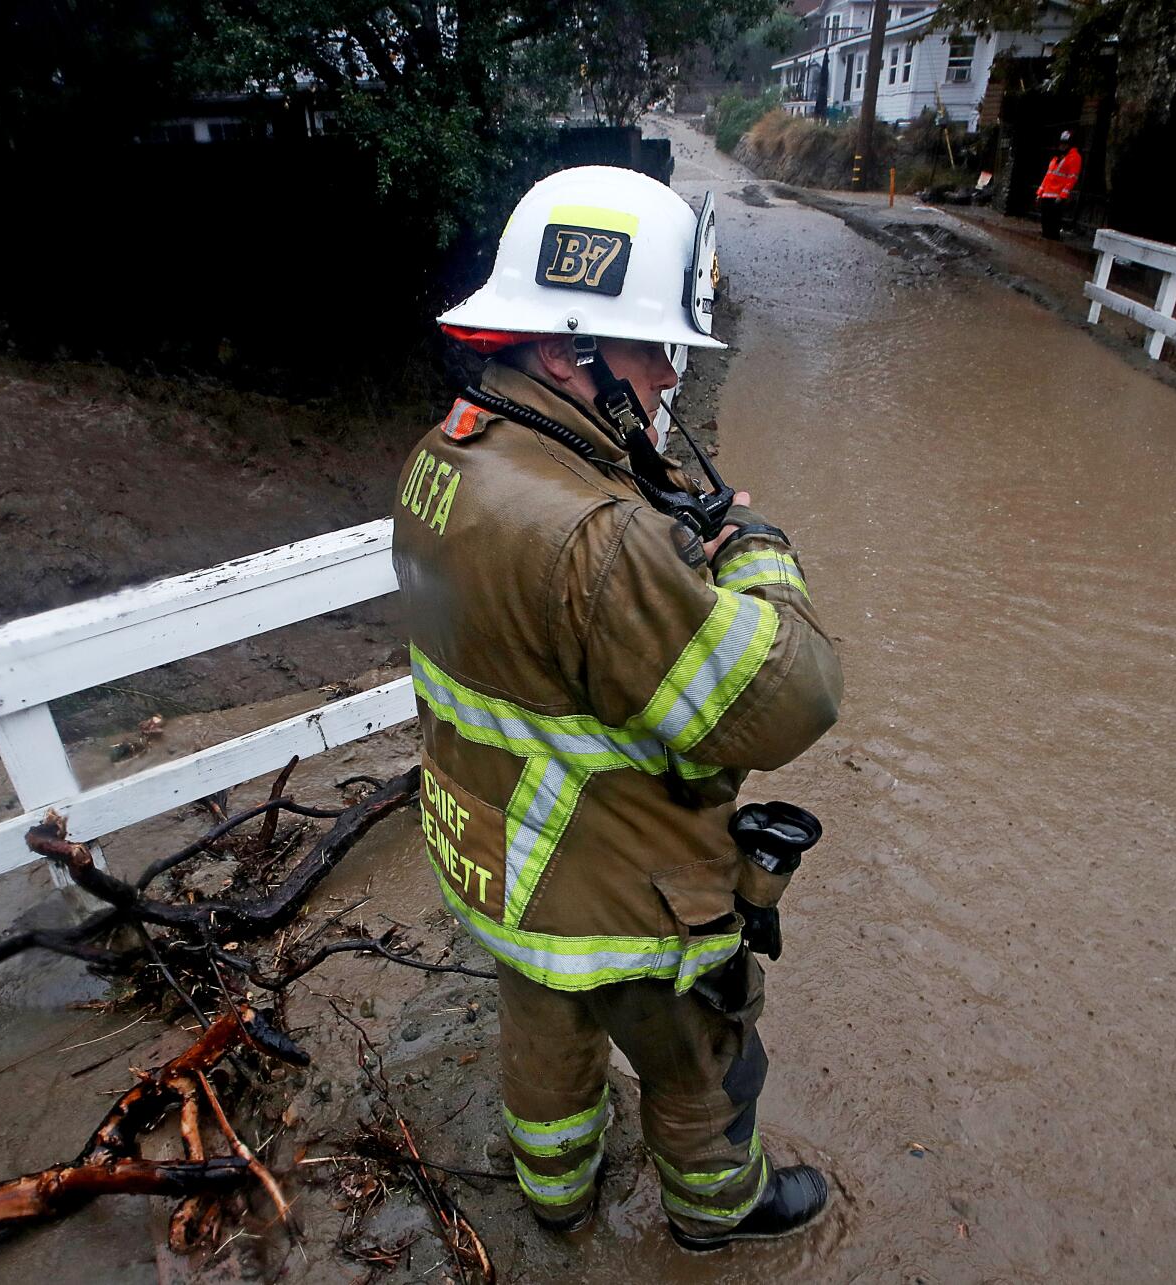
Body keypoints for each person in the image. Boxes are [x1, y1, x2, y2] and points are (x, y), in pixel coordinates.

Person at [392, 165, 844, 1251]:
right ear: (565, 348)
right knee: (702, 1055)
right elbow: (793, 701)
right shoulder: (599, 539)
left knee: (541, 1036)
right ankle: (715, 1213)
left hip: (494, 850)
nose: (674, 367)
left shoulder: (447, 454)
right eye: (655, 344)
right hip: (617, 886)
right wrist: (758, 557)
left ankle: (555, 1196)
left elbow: (528, 642)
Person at [1034, 130, 1082, 240]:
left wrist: (1062, 195)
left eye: (1065, 143)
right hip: (1047, 194)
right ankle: (1046, 240)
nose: (1062, 146)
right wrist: (1040, 193)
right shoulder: (1056, 158)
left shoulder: (1074, 157)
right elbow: (1048, 176)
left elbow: (1072, 178)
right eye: (1061, 143)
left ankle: (1053, 240)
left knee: (1054, 221)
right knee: (1045, 220)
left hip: (1057, 196)